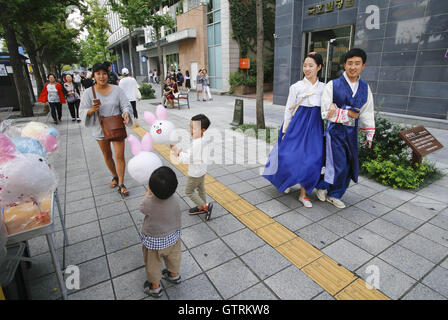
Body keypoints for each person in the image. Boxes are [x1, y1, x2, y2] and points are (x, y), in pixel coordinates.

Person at [262, 53, 325, 208]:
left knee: (312, 160)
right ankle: (286, 180)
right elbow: (288, 111)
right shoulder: (296, 87)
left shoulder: (324, 88)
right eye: (305, 65)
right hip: (297, 125)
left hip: (315, 127)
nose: (307, 68)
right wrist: (284, 131)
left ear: (319, 67)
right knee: (288, 156)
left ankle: (304, 195)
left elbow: (327, 109)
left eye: (311, 65)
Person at [315, 48, 375, 209]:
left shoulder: (365, 88)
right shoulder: (333, 85)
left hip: (351, 132)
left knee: (348, 163)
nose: (353, 67)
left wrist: (368, 134)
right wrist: (346, 113)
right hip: (335, 131)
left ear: (363, 66)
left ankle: (330, 190)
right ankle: (327, 189)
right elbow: (325, 112)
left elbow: (367, 111)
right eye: (350, 63)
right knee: (338, 163)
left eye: (357, 63)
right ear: (344, 65)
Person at [79, 62, 134, 196]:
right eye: (98, 74)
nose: (102, 76)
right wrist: (91, 110)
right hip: (99, 128)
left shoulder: (117, 89)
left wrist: (126, 113)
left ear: (107, 75)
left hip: (116, 126)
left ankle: (121, 183)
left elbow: (125, 105)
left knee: (119, 156)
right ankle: (115, 175)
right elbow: (82, 111)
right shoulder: (88, 92)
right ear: (94, 76)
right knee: (107, 155)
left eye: (104, 73)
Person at [140, 166, 182, 298]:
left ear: (151, 188)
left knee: (153, 265)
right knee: (174, 258)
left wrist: (147, 194)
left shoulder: (149, 202)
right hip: (173, 238)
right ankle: (174, 275)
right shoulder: (175, 200)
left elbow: (141, 207)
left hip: (154, 241)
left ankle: (155, 288)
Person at [170, 114, 214, 221]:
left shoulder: (198, 143)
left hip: (195, 173)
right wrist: (184, 152)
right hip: (202, 170)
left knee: (189, 191)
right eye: (190, 127)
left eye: (194, 128)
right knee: (201, 189)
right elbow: (193, 153)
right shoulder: (202, 139)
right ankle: (201, 206)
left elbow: (188, 158)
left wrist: (178, 152)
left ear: (203, 130)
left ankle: (205, 207)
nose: (191, 130)